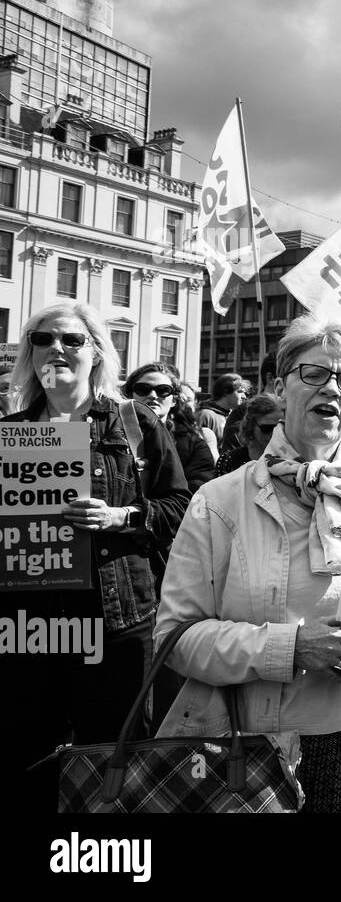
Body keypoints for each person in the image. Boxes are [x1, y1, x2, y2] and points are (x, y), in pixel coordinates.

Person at [154, 315, 341, 812]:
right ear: (280, 386)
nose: (333, 389)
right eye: (315, 374)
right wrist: (292, 648)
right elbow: (175, 638)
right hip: (243, 746)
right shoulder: (218, 500)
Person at [0, 302, 191, 810]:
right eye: (42, 339)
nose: (55, 349)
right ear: (29, 353)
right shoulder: (9, 431)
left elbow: (181, 506)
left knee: (113, 759)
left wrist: (121, 517)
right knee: (26, 754)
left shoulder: (134, 423)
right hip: (29, 624)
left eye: (71, 340)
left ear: (96, 352)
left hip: (115, 621)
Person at [125, 362, 217, 493]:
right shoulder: (104, 431)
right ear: (130, 395)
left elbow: (197, 493)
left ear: (174, 400)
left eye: (163, 390)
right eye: (143, 389)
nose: (152, 395)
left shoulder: (193, 444)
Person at [214, 393, 284, 477]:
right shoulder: (228, 461)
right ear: (251, 425)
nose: (274, 434)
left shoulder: (292, 461)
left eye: (280, 428)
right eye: (267, 429)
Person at [220, 353, 278, 454]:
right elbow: (232, 458)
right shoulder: (243, 412)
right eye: (266, 429)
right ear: (270, 378)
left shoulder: (298, 411)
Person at [197, 372, 247, 446]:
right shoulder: (205, 415)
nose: (244, 396)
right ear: (226, 392)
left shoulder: (234, 416)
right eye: (239, 391)